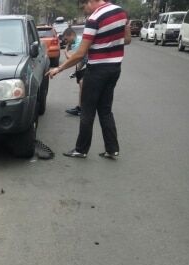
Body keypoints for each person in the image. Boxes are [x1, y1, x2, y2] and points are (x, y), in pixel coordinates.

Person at [47, 0, 131, 160]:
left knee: (87, 110)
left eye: (84, 7)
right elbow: (127, 40)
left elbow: (80, 53)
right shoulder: (121, 12)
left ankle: (81, 149)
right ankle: (112, 149)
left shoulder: (94, 18)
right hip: (114, 68)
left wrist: (59, 68)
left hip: (97, 70)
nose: (85, 11)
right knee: (105, 110)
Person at [62, 27, 86, 116]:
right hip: (90, 63)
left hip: (96, 65)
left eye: (66, 39)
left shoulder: (78, 42)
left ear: (71, 35)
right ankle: (80, 108)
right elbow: (83, 59)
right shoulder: (77, 41)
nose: (65, 41)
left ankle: (82, 109)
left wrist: (65, 50)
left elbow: (71, 59)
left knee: (82, 83)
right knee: (81, 84)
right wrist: (77, 71)